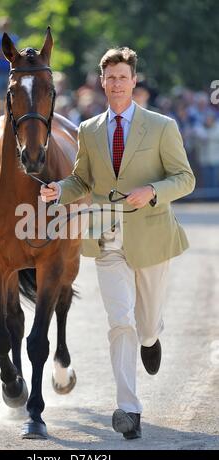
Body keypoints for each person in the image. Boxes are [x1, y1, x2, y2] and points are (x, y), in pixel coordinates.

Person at [40, 47, 195, 439]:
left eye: (123, 77)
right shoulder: (89, 130)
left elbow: (185, 178)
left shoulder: (162, 126)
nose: (116, 84)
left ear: (133, 80)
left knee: (143, 325)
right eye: (110, 78)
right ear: (102, 82)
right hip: (106, 236)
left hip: (152, 237)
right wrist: (59, 189)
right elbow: (82, 182)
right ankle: (128, 408)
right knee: (119, 321)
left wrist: (153, 191)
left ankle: (151, 337)